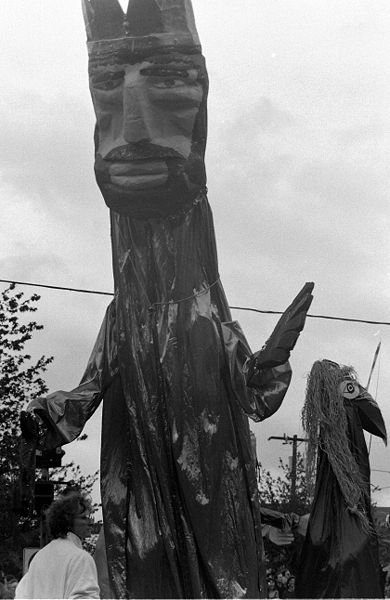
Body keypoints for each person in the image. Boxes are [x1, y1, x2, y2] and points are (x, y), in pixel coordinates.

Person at [20, 0, 314, 596]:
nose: (131, 128)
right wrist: (51, 415)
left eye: (171, 86)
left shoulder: (205, 311)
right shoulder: (123, 317)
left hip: (212, 507)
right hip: (142, 488)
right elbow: (88, 388)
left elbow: (255, 396)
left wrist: (275, 353)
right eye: (106, 90)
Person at [295, 359, 387, 598]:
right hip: (341, 488)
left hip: (348, 489)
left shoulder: (344, 408)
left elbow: (369, 410)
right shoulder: (330, 422)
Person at [15, 491, 100, 599]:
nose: (90, 522)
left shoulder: (39, 557)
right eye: (83, 518)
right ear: (67, 522)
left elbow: (21, 595)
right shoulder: (81, 558)